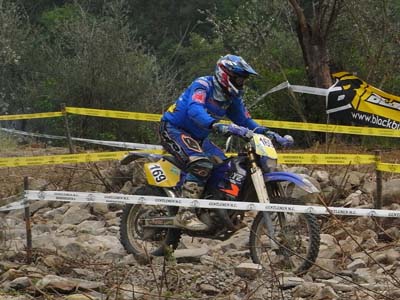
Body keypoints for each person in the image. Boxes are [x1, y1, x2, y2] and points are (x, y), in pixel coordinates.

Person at [159, 54, 292, 231]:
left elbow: (245, 121)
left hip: (198, 137)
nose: (241, 83)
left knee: (223, 167)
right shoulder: (203, 85)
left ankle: (211, 210)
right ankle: (185, 212)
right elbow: (194, 109)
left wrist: (269, 133)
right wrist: (217, 125)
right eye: (238, 78)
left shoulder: (231, 98)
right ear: (225, 74)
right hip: (173, 129)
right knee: (202, 164)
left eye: (243, 79)